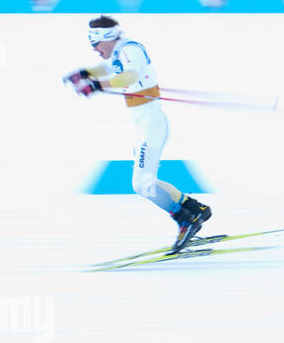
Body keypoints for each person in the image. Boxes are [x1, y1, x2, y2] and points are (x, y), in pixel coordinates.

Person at [63, 16, 212, 253]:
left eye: (95, 44)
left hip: (151, 126)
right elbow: (108, 68)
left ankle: (185, 219)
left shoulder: (130, 50)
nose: (94, 49)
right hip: (146, 125)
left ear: (107, 38)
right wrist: (84, 73)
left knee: (142, 185)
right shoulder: (120, 51)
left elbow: (129, 76)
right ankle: (195, 210)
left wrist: (96, 85)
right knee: (146, 182)